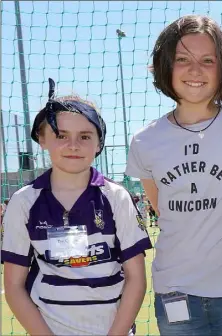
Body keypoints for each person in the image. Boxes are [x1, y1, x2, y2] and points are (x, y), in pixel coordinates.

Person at [125, 15, 222, 335]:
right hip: (175, 293)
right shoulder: (144, 140)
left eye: (208, 60)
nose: (195, 70)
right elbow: (163, 209)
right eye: (182, 60)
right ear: (165, 66)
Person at [1, 78, 152, 335]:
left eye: (84, 136)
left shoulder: (117, 197)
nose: (73, 145)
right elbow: (14, 287)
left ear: (98, 143)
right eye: (61, 135)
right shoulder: (24, 202)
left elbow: (136, 280)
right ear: (42, 138)